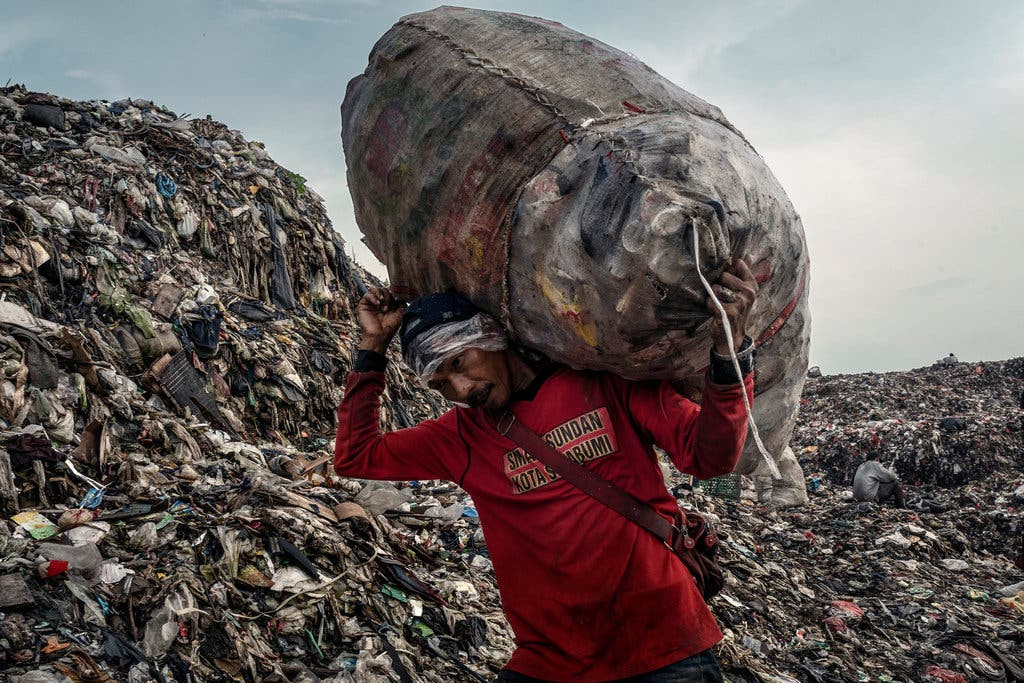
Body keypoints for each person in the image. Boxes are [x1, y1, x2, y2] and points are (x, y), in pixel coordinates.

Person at [334, 258, 760, 682]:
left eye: (459, 363)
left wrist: (729, 350)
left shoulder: (603, 382)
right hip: (551, 660)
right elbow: (356, 455)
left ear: (488, 336)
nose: (462, 390)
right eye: (441, 384)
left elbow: (711, 458)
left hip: (664, 645)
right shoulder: (459, 438)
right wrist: (372, 347)